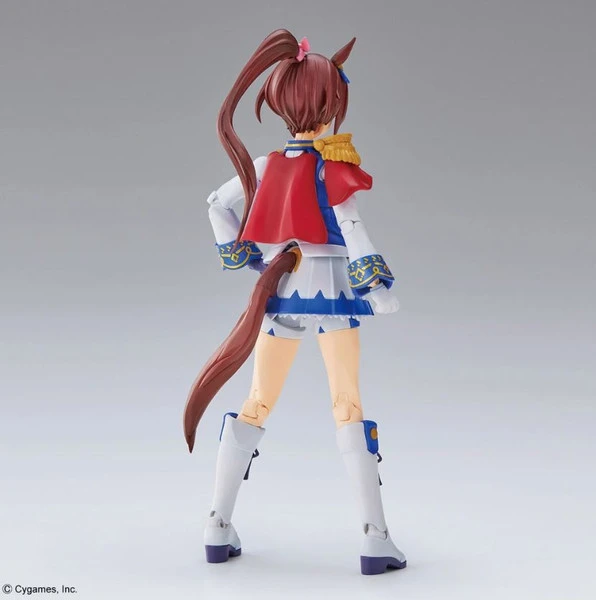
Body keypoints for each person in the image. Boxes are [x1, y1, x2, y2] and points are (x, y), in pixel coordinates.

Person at [186, 29, 406, 576]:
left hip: (283, 292)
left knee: (258, 401)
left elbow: (216, 204)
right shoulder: (333, 167)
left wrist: (246, 258)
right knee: (347, 405)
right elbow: (350, 226)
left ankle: (216, 524)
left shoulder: (265, 166)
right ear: (328, 105)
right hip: (331, 292)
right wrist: (377, 287)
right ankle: (375, 538)